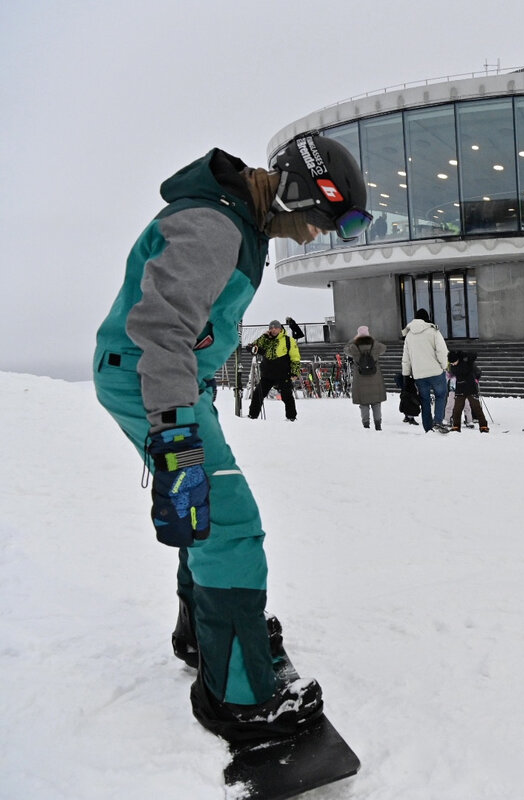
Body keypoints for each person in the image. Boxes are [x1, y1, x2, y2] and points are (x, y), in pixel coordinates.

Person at [93, 133, 372, 740]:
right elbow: (159, 329)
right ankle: (240, 699)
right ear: (296, 194)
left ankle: (210, 634)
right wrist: (174, 437)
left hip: (174, 383)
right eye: (322, 220)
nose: (318, 234)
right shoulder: (215, 227)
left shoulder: (237, 223)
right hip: (151, 382)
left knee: (206, 509)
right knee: (229, 519)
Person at [401, 308, 450, 432]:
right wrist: (445, 366)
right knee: (441, 395)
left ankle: (428, 428)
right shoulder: (433, 331)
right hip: (436, 372)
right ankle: (438, 422)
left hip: (419, 375)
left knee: (425, 401)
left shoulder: (409, 336)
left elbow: (406, 358)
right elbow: (442, 351)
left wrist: (406, 374)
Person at [247, 320, 301, 421]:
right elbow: (251, 346)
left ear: (280, 329)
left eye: (275, 328)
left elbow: (295, 357)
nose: (273, 330)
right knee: (258, 394)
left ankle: (291, 417)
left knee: (287, 396)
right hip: (267, 374)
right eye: (271, 328)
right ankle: (252, 416)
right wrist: (262, 339)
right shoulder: (265, 339)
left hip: (283, 374)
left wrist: (295, 372)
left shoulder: (288, 340)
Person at [344, 325, 387, 430]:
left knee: (364, 404)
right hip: (375, 378)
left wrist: (353, 340)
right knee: (376, 403)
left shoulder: (354, 347)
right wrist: (372, 339)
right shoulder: (375, 346)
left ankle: (366, 424)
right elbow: (384, 348)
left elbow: (346, 349)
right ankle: (378, 425)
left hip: (360, 378)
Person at [448, 350, 489, 433]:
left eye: (454, 362)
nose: (452, 364)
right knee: (457, 409)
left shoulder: (466, 362)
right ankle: (456, 426)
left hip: (471, 388)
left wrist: (463, 354)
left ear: (458, 359)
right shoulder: (453, 366)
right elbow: (452, 373)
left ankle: (483, 426)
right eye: (451, 363)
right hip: (460, 388)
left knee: (476, 407)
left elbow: (474, 355)